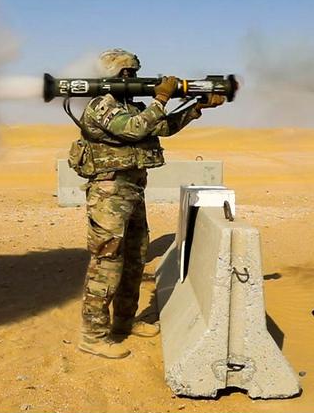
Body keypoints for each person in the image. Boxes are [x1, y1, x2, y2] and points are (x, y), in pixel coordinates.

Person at [75, 48, 225, 359]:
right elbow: (134, 129)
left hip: (130, 190)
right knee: (107, 263)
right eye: (126, 73)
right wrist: (160, 100)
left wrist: (195, 107)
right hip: (108, 192)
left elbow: (160, 127)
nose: (131, 77)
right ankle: (93, 334)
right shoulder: (102, 106)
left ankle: (124, 323)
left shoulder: (131, 106)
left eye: (133, 72)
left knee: (134, 258)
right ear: (113, 75)